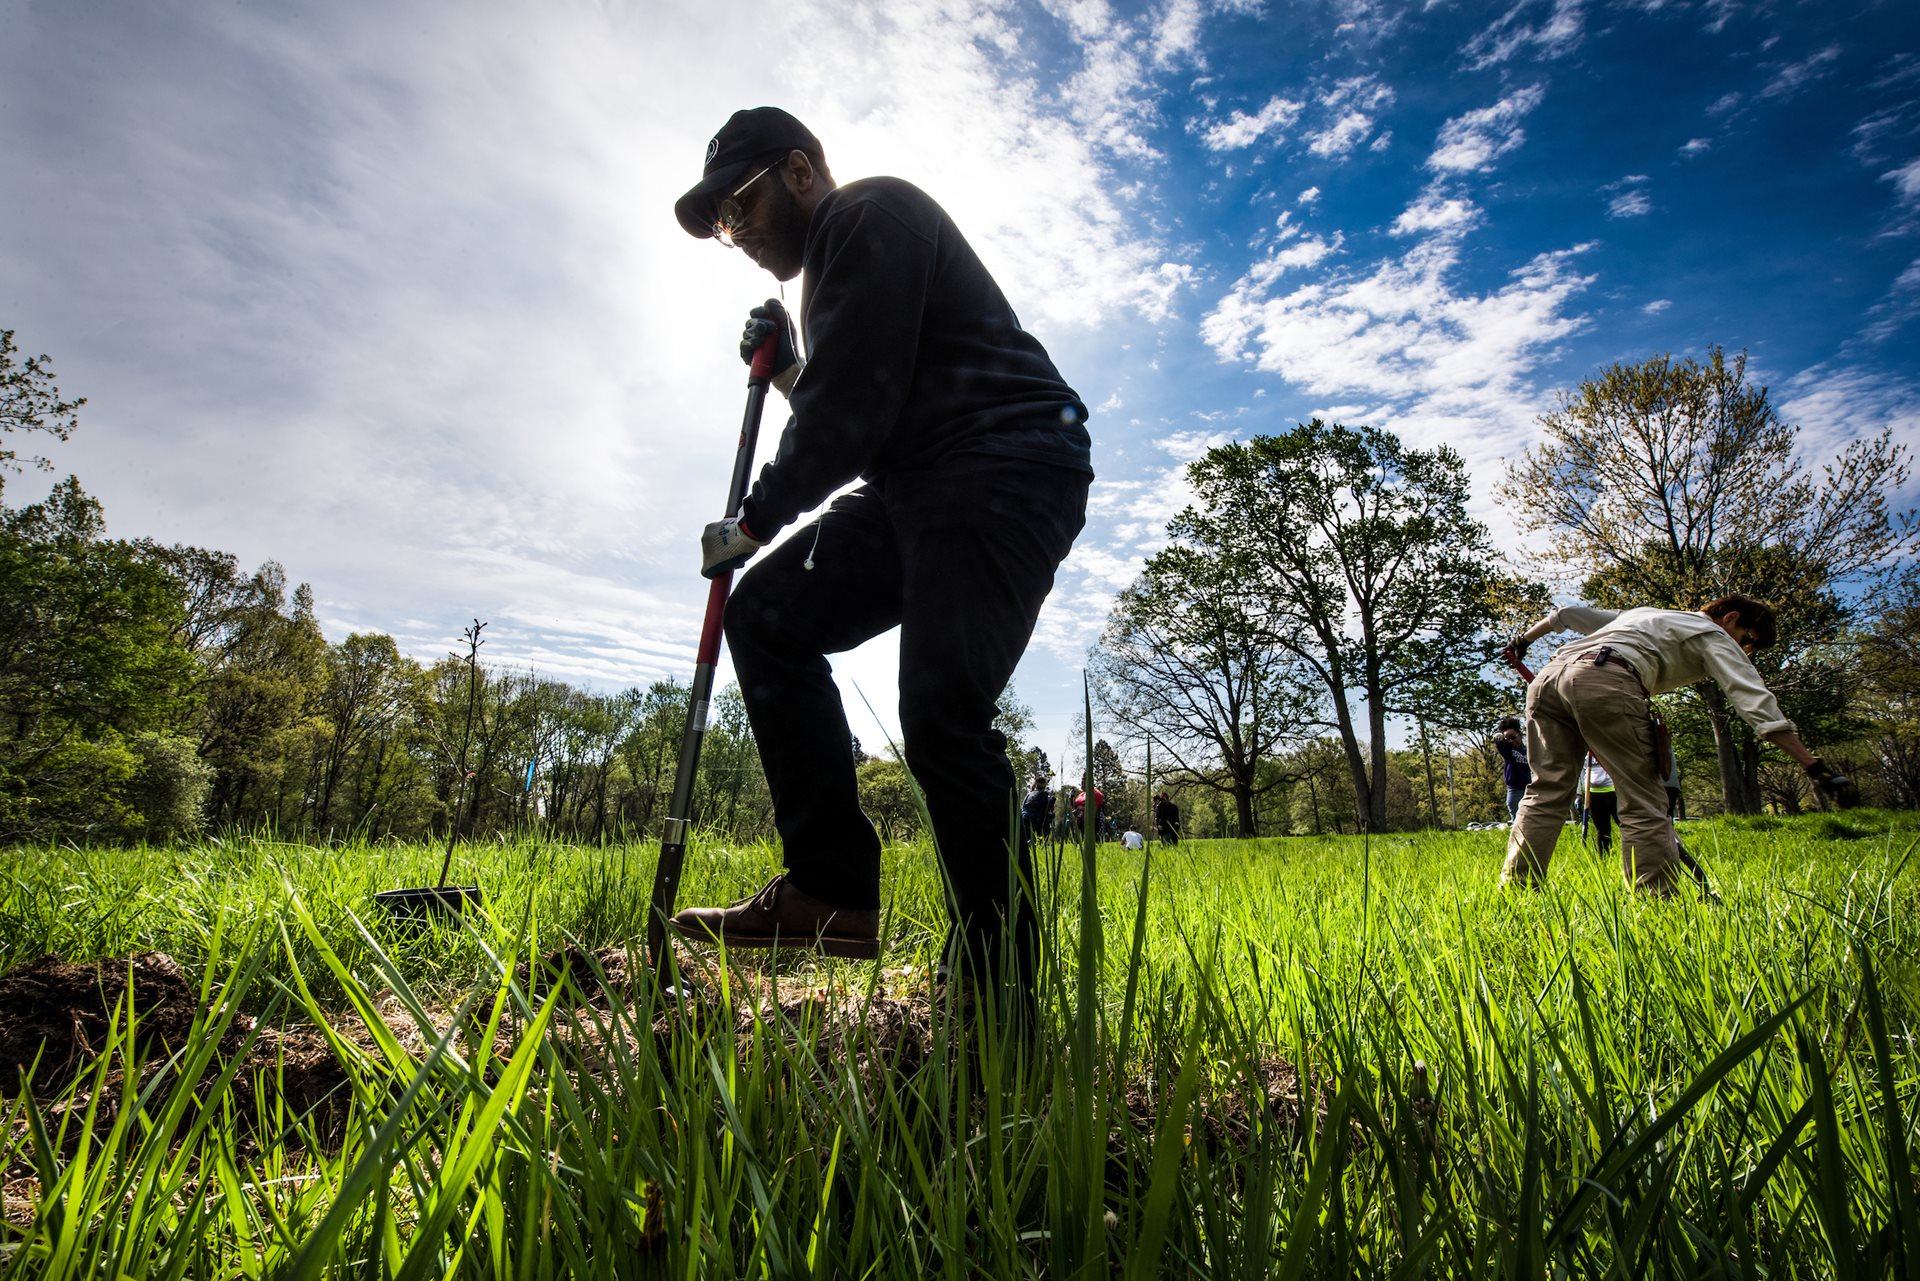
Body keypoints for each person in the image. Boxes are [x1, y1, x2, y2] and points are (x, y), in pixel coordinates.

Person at [665, 108, 1093, 1009]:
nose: (734, 236)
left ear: (798, 170)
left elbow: (853, 415)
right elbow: (862, 405)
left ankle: (996, 988)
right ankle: (831, 892)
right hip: (916, 481)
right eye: (719, 228)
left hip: (1004, 463)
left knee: (941, 714)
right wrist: (788, 373)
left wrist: (754, 519)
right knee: (768, 617)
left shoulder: (869, 213)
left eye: (738, 208)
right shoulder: (835, 267)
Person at [1501, 593, 1854, 894]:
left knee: (1545, 790)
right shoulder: (1711, 632)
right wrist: (1812, 764)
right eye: (1747, 640)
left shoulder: (1643, 615)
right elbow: (1754, 701)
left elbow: (1566, 615)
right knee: (1643, 798)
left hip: (1547, 681)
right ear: (1730, 618)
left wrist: (1524, 641)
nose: (1745, 652)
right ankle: (1657, 900)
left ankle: (1516, 890)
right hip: (1605, 677)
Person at [1492, 717, 1530, 822]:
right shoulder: (1508, 751)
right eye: (1507, 739)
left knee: (1530, 818)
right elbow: (1499, 743)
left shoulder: (1528, 751)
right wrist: (1498, 737)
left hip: (1529, 789)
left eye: (1513, 737)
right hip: (1515, 790)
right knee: (1517, 820)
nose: (1511, 741)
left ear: (1520, 735)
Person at [1581, 755, 1618, 856]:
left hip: (1613, 791)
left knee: (1624, 824)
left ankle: (1634, 857)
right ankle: (1605, 860)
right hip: (1593, 793)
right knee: (1602, 830)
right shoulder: (1586, 748)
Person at [1020, 775, 1054, 852]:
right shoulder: (1043, 794)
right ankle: (1041, 850)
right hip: (1035, 819)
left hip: (1024, 817)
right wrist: (1052, 801)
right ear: (1044, 784)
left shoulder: (1029, 794)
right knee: (1041, 837)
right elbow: (1045, 809)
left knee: (1028, 838)